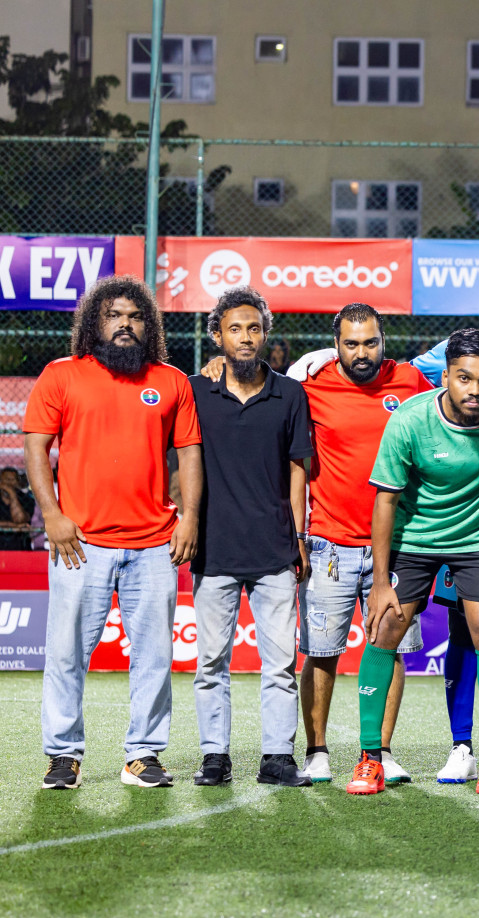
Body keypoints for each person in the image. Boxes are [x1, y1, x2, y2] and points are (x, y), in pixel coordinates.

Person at [349, 328, 479, 796]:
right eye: (463, 378)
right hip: (416, 537)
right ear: (446, 377)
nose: (474, 390)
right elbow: (385, 501)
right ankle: (369, 756)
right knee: (384, 629)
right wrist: (379, 582)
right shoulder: (411, 421)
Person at [24, 276, 202, 790]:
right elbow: (37, 448)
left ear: (149, 325)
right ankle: (63, 756)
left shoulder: (170, 381)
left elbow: (189, 453)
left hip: (153, 545)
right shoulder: (62, 375)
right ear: (94, 322)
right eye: (114, 315)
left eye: (135, 316)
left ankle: (142, 755)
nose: (125, 324)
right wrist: (53, 516)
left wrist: (189, 517)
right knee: (66, 655)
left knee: (155, 658)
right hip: (80, 543)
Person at [295, 305, 433, 784]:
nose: (361, 352)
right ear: (336, 344)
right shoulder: (311, 386)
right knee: (321, 651)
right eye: (351, 344)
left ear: (383, 339)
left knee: (387, 648)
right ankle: (316, 751)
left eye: (369, 342)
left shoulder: (412, 381)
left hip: (396, 548)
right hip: (328, 544)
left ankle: (381, 750)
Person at [187, 287, 313, 788]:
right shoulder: (195, 391)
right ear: (217, 335)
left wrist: (299, 536)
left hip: (274, 550)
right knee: (210, 663)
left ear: (266, 334)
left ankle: (277, 757)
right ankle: (214, 757)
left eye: (254, 328)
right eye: (234, 329)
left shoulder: (290, 394)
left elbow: (298, 469)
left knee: (280, 664)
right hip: (213, 549)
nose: (245, 337)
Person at [0, 467, 37, 550]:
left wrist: (12, 493)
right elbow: (19, 524)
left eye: (13, 480)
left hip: (20, 546)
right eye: (7, 479)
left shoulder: (26, 498)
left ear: (18, 482)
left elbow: (20, 520)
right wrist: (15, 526)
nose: (9, 483)